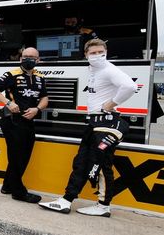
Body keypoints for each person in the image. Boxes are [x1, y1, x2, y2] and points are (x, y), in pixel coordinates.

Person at [39, 39, 137, 217]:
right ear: (86, 54)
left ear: (106, 51)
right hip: (93, 124)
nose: (97, 55)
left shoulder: (108, 69)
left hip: (107, 124)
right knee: (81, 162)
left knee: (100, 165)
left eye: (101, 52)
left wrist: (112, 103)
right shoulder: (94, 70)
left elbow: (130, 86)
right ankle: (67, 199)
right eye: (93, 53)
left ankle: (103, 205)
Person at [0, 47, 49, 204]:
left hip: (29, 120)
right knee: (16, 156)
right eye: (26, 56)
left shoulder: (40, 77)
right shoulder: (11, 74)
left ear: (38, 60)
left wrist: (37, 109)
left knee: (24, 155)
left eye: (32, 57)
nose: (29, 59)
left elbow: (45, 98)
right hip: (12, 120)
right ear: (21, 58)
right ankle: (18, 191)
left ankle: (7, 186)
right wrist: (7, 102)